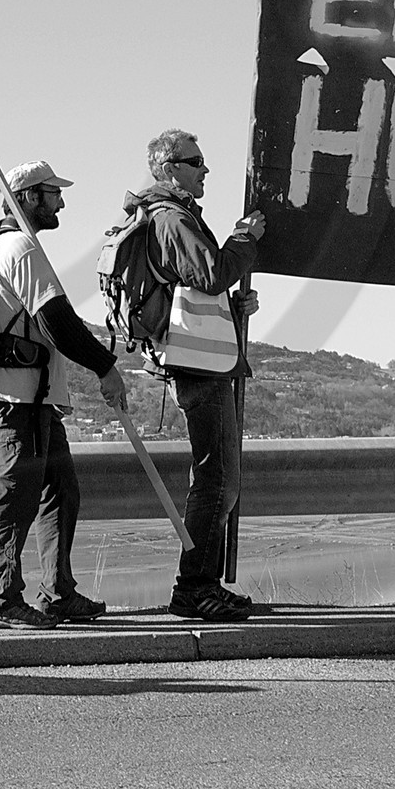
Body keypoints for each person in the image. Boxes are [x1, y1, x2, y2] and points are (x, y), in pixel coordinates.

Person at [0, 160, 130, 631]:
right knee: (17, 493)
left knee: (60, 490)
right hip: (20, 396)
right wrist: (105, 367)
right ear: (28, 197)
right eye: (52, 192)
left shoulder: (7, 245)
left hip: (35, 395)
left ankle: (57, 593)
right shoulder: (20, 247)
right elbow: (58, 322)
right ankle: (0, 599)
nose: (61, 202)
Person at [124, 129, 264, 622]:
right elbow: (211, 274)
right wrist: (244, 238)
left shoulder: (170, 216)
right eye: (196, 161)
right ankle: (195, 588)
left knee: (216, 478)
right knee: (217, 480)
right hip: (200, 367)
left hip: (199, 361)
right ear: (170, 168)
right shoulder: (172, 218)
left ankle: (202, 585)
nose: (205, 169)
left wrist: (233, 305)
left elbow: (201, 286)